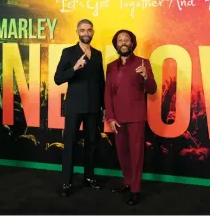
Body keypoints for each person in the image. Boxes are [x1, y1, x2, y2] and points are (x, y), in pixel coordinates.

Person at [104, 29, 157, 205]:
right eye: (120, 40)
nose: (124, 42)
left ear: (132, 43)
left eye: (127, 39)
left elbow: (152, 89)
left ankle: (135, 189)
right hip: (117, 118)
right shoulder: (111, 66)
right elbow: (108, 94)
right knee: (122, 153)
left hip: (135, 116)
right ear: (116, 44)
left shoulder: (143, 62)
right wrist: (110, 118)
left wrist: (146, 76)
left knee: (136, 155)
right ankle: (127, 182)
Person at [54, 19, 105, 197]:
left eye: (89, 30)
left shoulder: (98, 54)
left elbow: (101, 81)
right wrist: (74, 68)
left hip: (93, 108)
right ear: (77, 31)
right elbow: (58, 78)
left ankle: (89, 177)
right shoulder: (68, 52)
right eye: (82, 30)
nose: (86, 33)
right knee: (70, 144)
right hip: (75, 107)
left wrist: (104, 107)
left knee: (91, 144)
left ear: (93, 32)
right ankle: (66, 182)